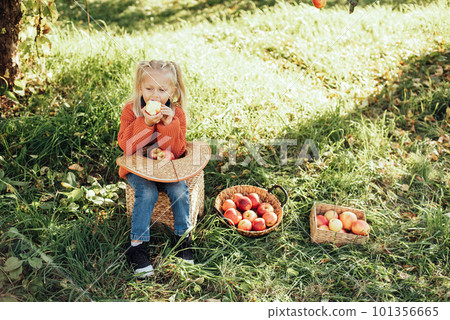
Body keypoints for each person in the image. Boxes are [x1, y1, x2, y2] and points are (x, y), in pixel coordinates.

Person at [117, 60, 193, 278]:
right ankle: (137, 247)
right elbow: (127, 147)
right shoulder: (131, 110)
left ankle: (183, 240)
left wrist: (168, 125)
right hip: (138, 168)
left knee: (180, 190)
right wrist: (147, 123)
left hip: (166, 167)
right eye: (149, 88)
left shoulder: (176, 114)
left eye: (162, 89)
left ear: (173, 91)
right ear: (140, 88)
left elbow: (177, 151)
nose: (155, 95)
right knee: (147, 192)